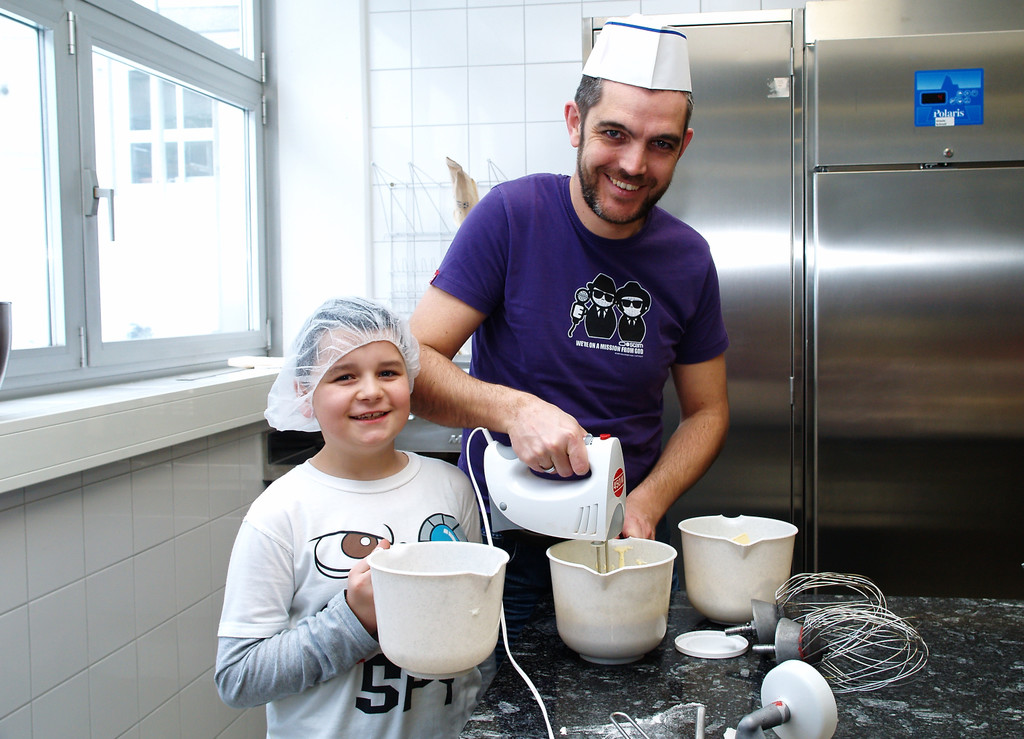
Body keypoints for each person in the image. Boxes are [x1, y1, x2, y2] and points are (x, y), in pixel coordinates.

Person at [408, 16, 730, 641]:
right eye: (614, 133)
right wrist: (515, 411)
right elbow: (414, 365)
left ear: (683, 146)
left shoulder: (689, 259)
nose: (634, 164)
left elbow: (708, 412)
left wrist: (648, 501)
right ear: (575, 123)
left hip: (627, 537)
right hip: (505, 543)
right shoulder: (510, 218)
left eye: (661, 144)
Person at [215, 297, 483, 738]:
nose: (371, 391)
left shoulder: (452, 487)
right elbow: (238, 677)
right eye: (344, 376)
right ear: (304, 392)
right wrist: (354, 620)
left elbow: (478, 619)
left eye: (388, 372)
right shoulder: (280, 513)